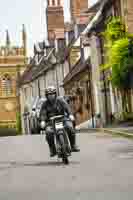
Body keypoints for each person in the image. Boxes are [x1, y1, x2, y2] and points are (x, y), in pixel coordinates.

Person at [40, 86, 80, 157]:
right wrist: (43, 121)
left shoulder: (60, 100)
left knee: (70, 127)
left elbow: (67, 107)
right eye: (49, 94)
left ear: (55, 94)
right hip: (50, 122)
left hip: (63, 119)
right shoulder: (45, 104)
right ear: (47, 96)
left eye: (52, 94)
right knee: (48, 132)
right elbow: (43, 113)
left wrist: (70, 114)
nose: (51, 96)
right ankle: (52, 149)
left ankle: (73, 145)